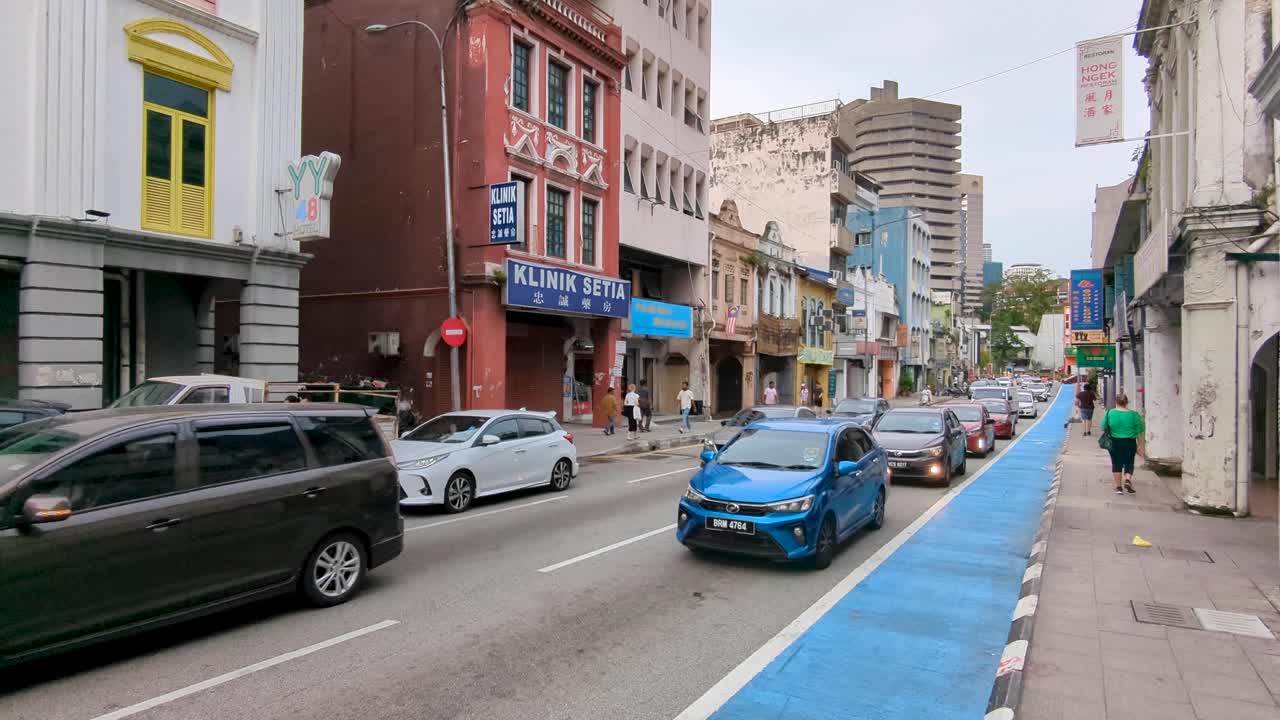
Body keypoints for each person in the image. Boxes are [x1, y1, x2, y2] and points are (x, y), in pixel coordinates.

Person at [1101, 393, 1145, 495]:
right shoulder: (1134, 415)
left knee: (1116, 463)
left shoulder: (1110, 413)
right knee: (1129, 462)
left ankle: (1119, 488)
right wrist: (1140, 446)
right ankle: (1128, 479)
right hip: (1130, 442)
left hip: (1114, 442)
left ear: (1116, 402)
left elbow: (1103, 427)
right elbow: (1140, 432)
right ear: (1126, 403)